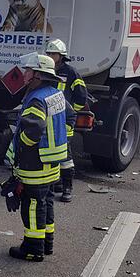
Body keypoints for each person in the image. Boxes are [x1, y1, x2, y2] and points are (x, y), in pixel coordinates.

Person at [5, 53, 74, 261]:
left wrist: (23, 148)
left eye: (28, 71)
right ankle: (46, 244)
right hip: (52, 161)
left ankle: (33, 249)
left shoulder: (36, 99)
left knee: (32, 203)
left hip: (35, 161)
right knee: (46, 200)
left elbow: (34, 130)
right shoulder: (55, 94)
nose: (24, 74)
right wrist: (60, 142)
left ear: (38, 75)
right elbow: (70, 118)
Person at [45, 39, 87, 203]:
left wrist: (70, 112)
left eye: (53, 54)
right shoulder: (46, 71)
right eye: (48, 53)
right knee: (49, 154)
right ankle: (56, 184)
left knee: (65, 157)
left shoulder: (70, 72)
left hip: (63, 121)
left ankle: (67, 188)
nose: (50, 56)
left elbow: (81, 96)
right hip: (48, 120)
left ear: (61, 56)